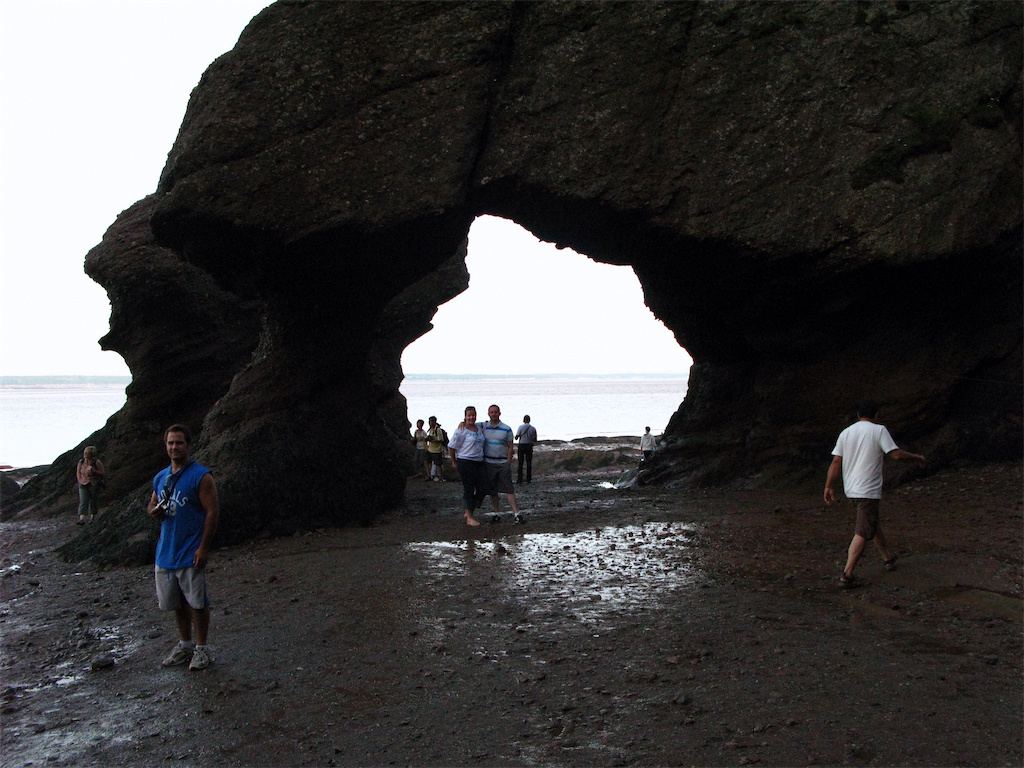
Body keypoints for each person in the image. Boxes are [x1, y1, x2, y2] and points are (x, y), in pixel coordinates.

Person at [824, 400, 926, 588]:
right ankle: (847, 574)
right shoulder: (879, 431)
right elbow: (895, 454)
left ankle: (888, 558)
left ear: (857, 415)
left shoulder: (846, 433)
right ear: (877, 415)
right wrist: (916, 457)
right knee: (863, 531)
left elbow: (836, 462)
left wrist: (829, 486)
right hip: (867, 490)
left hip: (852, 490)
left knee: (871, 522)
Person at [146, 424, 220, 670]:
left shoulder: (201, 476)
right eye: (170, 443)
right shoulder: (161, 477)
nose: (174, 447)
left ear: (188, 444)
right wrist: (153, 512)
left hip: (190, 550)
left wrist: (204, 548)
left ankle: (202, 648)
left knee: (197, 602)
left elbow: (212, 512)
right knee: (176, 603)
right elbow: (152, 505)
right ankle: (185, 644)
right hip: (166, 552)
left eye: (179, 442)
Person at [477, 405, 523, 524]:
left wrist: (508, 461)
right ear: (488, 414)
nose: (494, 414)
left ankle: (516, 514)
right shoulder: (483, 426)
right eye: (491, 412)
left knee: (509, 489)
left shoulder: (506, 429)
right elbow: (469, 424)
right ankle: (497, 513)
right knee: (493, 490)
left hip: (502, 462)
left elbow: (510, 446)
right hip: (489, 463)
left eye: (495, 412)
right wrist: (462, 423)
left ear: (499, 413)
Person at [446, 406, 486, 527]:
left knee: (483, 487)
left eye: (473, 415)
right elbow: (451, 446)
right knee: (468, 488)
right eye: (469, 415)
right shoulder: (461, 430)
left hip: (479, 461)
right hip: (465, 461)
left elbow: (489, 422)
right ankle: (469, 517)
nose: (471, 417)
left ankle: (469, 509)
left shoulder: (479, 427)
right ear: (465, 416)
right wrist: (454, 461)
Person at [75, 445, 105, 524]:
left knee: (93, 500)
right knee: (83, 500)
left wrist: (94, 471)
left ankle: (93, 517)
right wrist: (80, 479)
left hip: (94, 483)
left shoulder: (97, 462)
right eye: (84, 453)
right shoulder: (81, 462)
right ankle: (82, 518)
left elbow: (102, 473)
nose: (84, 454)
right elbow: (78, 472)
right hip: (83, 483)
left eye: (86, 453)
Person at [515, 415, 537, 484]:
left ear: (523, 420)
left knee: (520, 462)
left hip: (521, 445)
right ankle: (528, 478)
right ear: (529, 420)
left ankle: (520, 479)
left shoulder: (520, 427)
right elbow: (535, 439)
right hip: (529, 446)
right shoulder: (533, 428)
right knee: (529, 462)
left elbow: (516, 437)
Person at [425, 416, 446, 482]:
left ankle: (441, 477)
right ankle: (429, 475)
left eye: (431, 422)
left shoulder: (438, 430)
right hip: (430, 449)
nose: (430, 423)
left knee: (439, 464)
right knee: (426, 461)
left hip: (437, 450)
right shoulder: (430, 429)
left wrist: (432, 440)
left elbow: (441, 439)